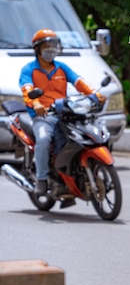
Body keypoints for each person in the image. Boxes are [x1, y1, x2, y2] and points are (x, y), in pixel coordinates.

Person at [19, 28, 105, 196]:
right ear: (37, 49)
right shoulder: (28, 69)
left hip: (64, 113)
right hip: (43, 116)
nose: (51, 49)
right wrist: (35, 103)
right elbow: (27, 89)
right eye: (47, 46)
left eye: (54, 45)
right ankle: (42, 179)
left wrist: (95, 94)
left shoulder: (62, 68)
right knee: (43, 139)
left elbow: (79, 82)